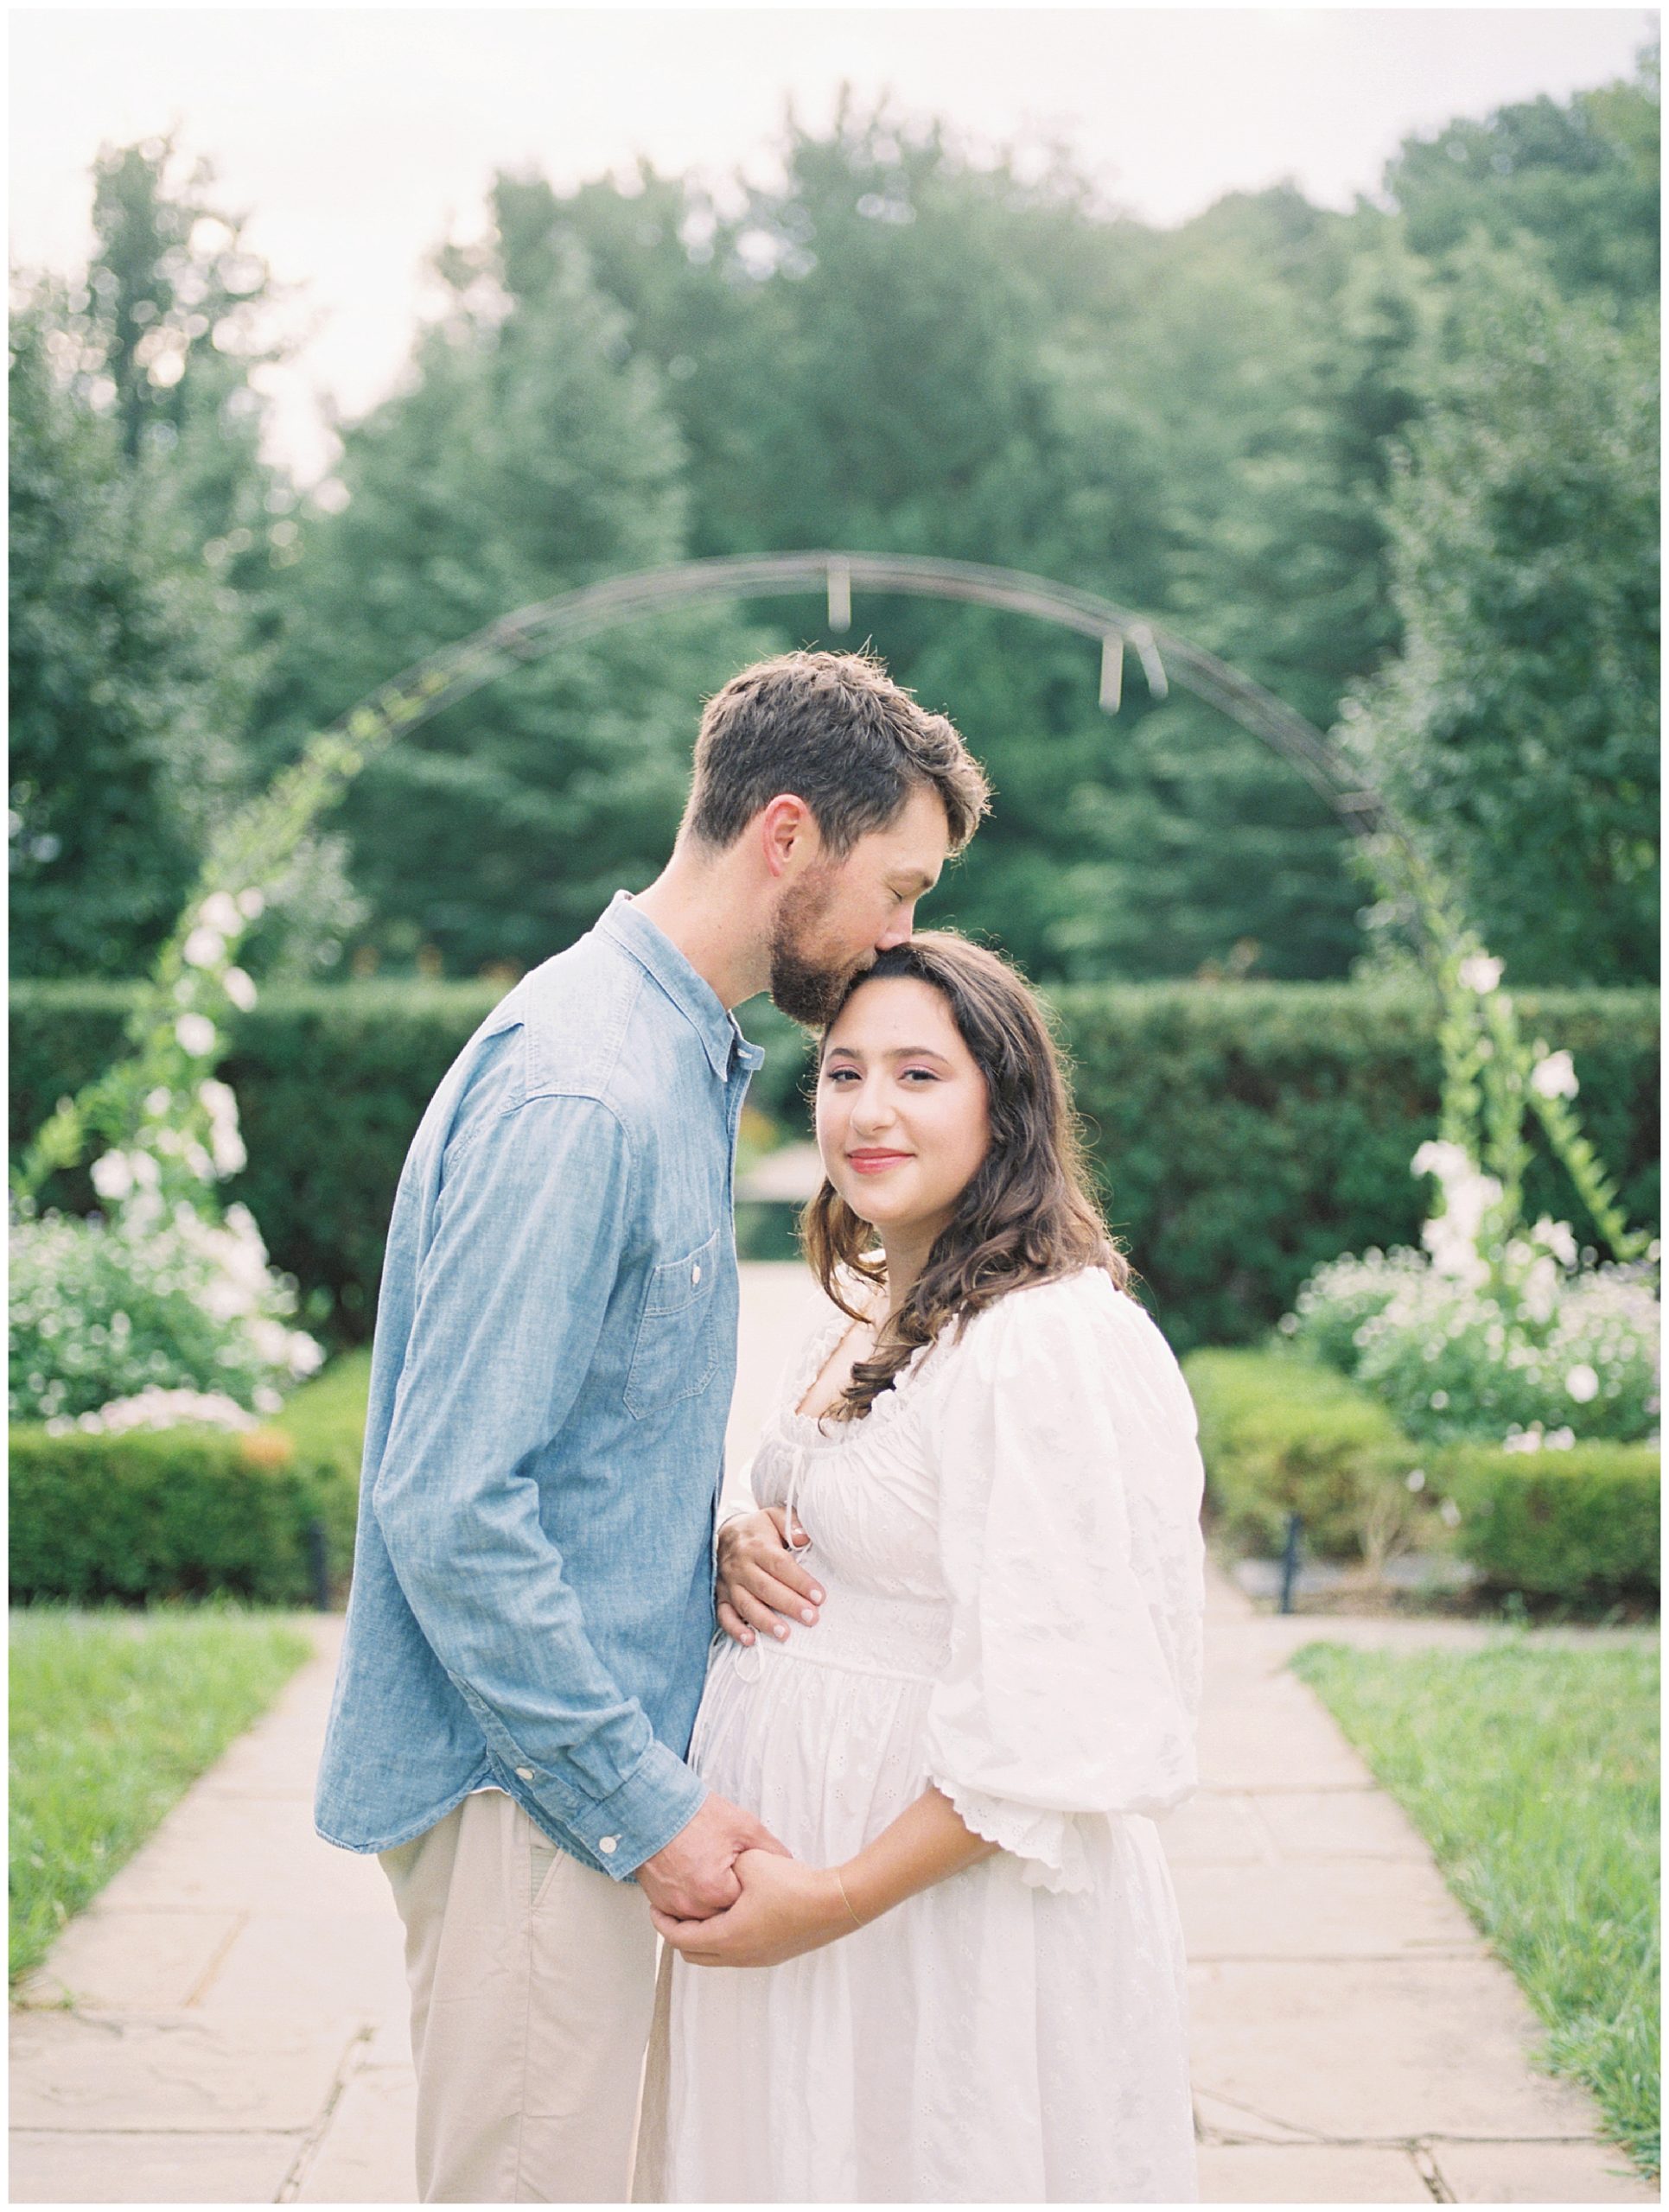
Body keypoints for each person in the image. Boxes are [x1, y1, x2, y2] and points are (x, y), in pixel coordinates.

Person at [313, 651, 991, 2204]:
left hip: (560, 1784)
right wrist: (646, 1807)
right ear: (789, 836)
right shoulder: (587, 1091)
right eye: (896, 886)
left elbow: (549, 1435)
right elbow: (453, 1502)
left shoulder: (664, 1053)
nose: (903, 934)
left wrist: (694, 1539)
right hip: (534, 1799)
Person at [634, 931, 1206, 2204]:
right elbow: (869, 1532)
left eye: (918, 1075)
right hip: (798, 1891)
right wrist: (738, 1542)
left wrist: (834, 1898)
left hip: (939, 1915)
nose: (868, 1111)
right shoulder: (857, 1316)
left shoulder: (1053, 1342)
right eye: (842, 1074)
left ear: (1007, 1107)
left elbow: (1065, 1698)